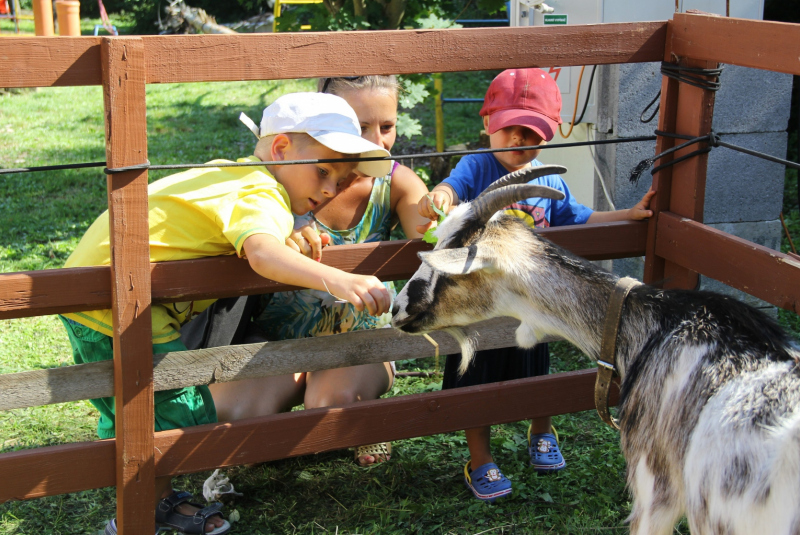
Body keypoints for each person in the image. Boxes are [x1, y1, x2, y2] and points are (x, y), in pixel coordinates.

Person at [59, 92, 393, 534]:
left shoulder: (236, 176)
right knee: (175, 410)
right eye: (323, 172)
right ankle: (141, 513)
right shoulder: (259, 192)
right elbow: (262, 254)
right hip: (123, 305)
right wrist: (340, 279)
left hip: (103, 297)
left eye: (343, 179)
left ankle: (147, 502)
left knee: (135, 409)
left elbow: (243, 224)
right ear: (280, 150)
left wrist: (292, 225)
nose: (331, 189)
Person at [418, 68, 655, 503]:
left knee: (537, 369)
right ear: (488, 122)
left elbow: (579, 217)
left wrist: (628, 215)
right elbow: (449, 190)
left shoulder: (548, 177)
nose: (520, 141)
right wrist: (440, 197)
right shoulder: (476, 167)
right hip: (480, 303)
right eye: (511, 127)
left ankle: (541, 430)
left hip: (530, 305)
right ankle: (479, 457)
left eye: (534, 132)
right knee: (477, 377)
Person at [186, 75, 432, 467]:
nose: (374, 140)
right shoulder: (277, 180)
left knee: (330, 410)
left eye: (386, 127)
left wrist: (437, 207)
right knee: (233, 420)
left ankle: (357, 411)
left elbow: (426, 226)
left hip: (360, 339)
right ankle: (293, 390)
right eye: (358, 126)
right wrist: (289, 218)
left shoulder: (394, 182)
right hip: (272, 337)